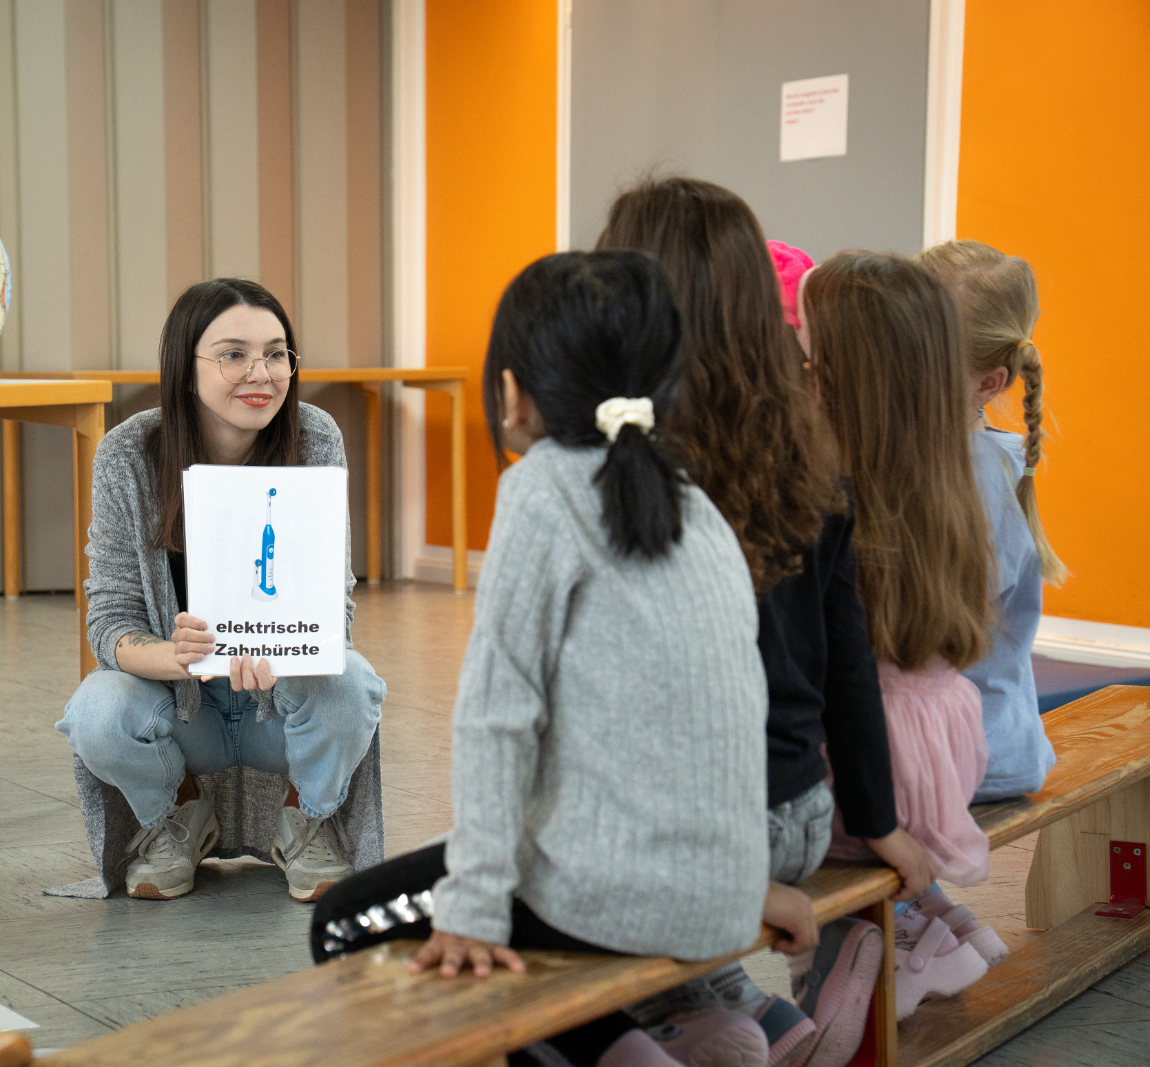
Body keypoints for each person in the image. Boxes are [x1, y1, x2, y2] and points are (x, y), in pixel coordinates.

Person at [311, 250, 815, 1067]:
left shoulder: (542, 491)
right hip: (721, 893)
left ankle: (606, 1049)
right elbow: (730, 707)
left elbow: (496, 717)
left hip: (608, 899)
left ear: (512, 394)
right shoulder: (697, 503)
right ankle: (647, 1035)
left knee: (342, 922)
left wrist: (473, 902)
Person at [596, 178, 931, 1067]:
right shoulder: (811, 457)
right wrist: (879, 817)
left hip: (701, 826)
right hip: (800, 814)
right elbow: (849, 667)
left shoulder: (626, 470)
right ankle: (761, 1013)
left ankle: (698, 1018)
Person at [55, 278, 387, 903]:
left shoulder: (313, 437)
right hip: (183, 713)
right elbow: (109, 620)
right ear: (186, 370)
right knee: (97, 712)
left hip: (278, 706)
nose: (260, 373)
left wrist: (292, 650)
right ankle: (178, 816)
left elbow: (332, 602)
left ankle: (306, 820)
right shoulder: (128, 453)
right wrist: (171, 655)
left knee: (352, 682)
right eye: (233, 354)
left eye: (276, 353)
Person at [800, 251, 998, 1019]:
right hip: (942, 745)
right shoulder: (949, 469)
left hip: (871, 767)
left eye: (811, 356)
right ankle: (922, 921)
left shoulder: (836, 489)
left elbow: (834, 680)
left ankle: (873, 941)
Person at [918, 240, 1061, 802]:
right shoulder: (989, 454)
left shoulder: (972, 475)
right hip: (997, 737)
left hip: (973, 753)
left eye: (916, 351)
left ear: (987, 384)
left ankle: (911, 893)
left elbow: (929, 638)